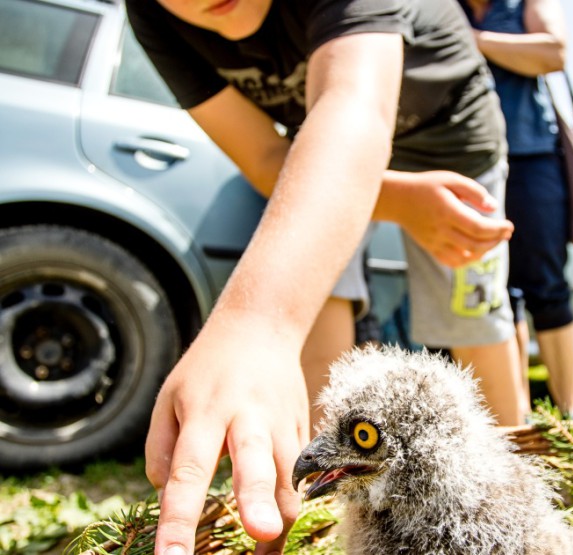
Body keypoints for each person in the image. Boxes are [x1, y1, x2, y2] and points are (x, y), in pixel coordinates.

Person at [124, 1, 530, 553]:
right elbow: (269, 158)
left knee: (470, 314)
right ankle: (316, 508)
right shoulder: (154, 14)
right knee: (318, 295)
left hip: (451, 143)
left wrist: (258, 323)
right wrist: (398, 204)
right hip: (321, 159)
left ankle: (521, 497)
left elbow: (354, 108)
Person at [459, 0, 573, 421]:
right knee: (496, 292)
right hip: (469, 164)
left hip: (531, 158)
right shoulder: (445, 7)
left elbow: (553, 53)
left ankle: (570, 415)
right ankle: (519, 418)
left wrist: (474, 41)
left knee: (546, 286)